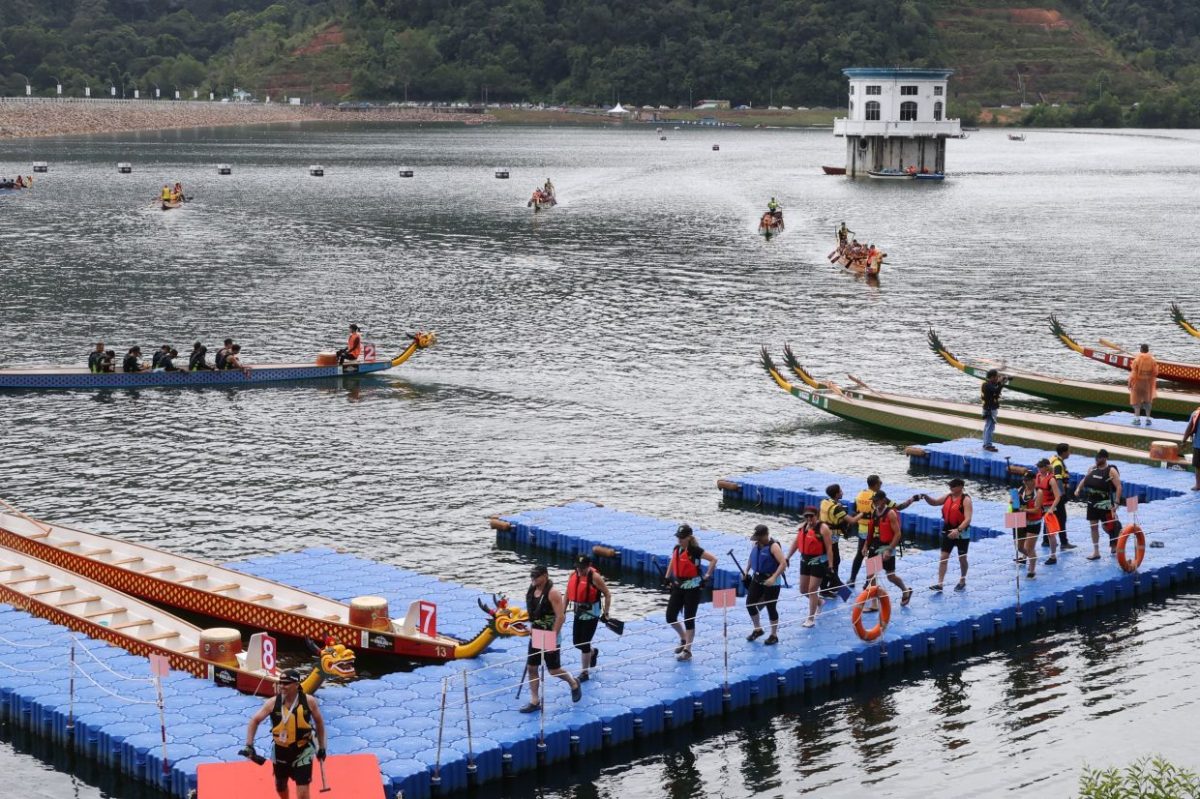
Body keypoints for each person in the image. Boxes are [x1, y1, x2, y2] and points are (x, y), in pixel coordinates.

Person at [241, 668, 328, 799]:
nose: (282, 686)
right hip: (280, 752)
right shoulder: (271, 703)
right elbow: (254, 721)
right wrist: (249, 745)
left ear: (296, 685)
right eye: (280, 682)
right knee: (280, 786)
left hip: (303, 751)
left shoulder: (309, 701)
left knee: (303, 794)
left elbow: (319, 723)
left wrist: (321, 747)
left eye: (286, 683)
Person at [521, 565, 582, 712]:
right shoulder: (532, 590)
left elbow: (561, 617)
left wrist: (553, 638)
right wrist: (529, 628)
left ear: (545, 576)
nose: (533, 579)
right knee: (532, 667)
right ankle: (535, 701)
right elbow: (535, 613)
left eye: (536, 576)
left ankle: (573, 683)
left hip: (550, 634)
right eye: (532, 576)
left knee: (553, 670)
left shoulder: (553, 593)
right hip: (536, 633)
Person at [849, 476, 915, 589]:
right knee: (872, 568)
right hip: (874, 536)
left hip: (866, 532)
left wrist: (889, 549)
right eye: (880, 482)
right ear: (875, 485)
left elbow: (854, 510)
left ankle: (852, 579)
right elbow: (899, 507)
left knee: (888, 574)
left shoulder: (860, 495)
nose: (881, 483)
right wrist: (912, 499)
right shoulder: (878, 504)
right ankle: (869, 588)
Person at [665, 524, 717, 661]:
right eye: (678, 537)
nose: (679, 540)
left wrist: (707, 576)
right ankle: (683, 639)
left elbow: (713, 559)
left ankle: (688, 650)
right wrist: (667, 576)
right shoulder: (677, 548)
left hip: (693, 587)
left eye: (682, 538)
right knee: (670, 616)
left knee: (689, 618)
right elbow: (673, 560)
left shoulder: (695, 550)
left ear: (689, 537)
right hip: (678, 585)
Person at [785, 506, 833, 628]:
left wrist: (831, 565)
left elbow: (829, 548)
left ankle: (810, 618)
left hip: (819, 561)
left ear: (816, 515)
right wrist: (787, 557)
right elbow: (796, 543)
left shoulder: (823, 528)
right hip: (805, 560)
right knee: (803, 590)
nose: (809, 518)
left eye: (811, 516)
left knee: (812, 590)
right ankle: (820, 602)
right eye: (806, 516)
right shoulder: (803, 527)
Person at [566, 555, 611, 682]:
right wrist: (562, 611)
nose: (580, 571)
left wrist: (606, 613)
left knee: (584, 642)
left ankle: (584, 673)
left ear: (589, 565)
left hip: (593, 614)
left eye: (583, 568)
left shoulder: (595, 577)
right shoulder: (572, 575)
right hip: (579, 613)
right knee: (576, 642)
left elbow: (607, 594)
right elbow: (568, 594)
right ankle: (592, 652)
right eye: (578, 568)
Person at [922, 478, 972, 591]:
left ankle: (962, 579)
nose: (950, 488)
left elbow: (968, 519)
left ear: (960, 487)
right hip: (948, 531)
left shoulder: (966, 500)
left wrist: (958, 530)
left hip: (962, 533)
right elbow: (934, 502)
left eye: (952, 486)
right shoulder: (948, 496)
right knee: (943, 557)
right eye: (950, 486)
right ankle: (940, 584)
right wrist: (926, 497)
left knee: (962, 558)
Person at [863, 492, 913, 606]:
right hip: (875, 546)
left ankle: (905, 591)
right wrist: (866, 545)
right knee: (871, 574)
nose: (874, 503)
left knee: (891, 576)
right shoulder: (874, 512)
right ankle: (874, 604)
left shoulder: (890, 514)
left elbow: (898, 534)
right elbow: (871, 531)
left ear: (883, 500)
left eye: (876, 500)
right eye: (873, 501)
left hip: (887, 546)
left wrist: (889, 549)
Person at [1075, 449, 1122, 560]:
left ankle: (1114, 544)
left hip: (1105, 503)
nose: (1096, 460)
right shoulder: (1092, 468)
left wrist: (1117, 502)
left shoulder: (1111, 470)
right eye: (1096, 458)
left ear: (1105, 458)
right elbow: (1085, 479)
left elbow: (1119, 486)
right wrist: (1078, 489)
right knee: (1093, 527)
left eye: (1099, 458)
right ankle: (1096, 551)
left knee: (1108, 527)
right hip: (1092, 503)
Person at [744, 524, 786, 645]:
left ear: (765, 535)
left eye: (759, 537)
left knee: (770, 606)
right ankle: (758, 629)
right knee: (750, 603)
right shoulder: (756, 544)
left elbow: (783, 564)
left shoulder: (774, 546)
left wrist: (773, 577)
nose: (757, 540)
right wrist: (746, 570)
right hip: (757, 578)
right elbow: (752, 558)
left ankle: (774, 635)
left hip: (772, 580)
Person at [819, 484, 861, 599]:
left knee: (834, 561)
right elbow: (852, 521)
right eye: (841, 491)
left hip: (823, 534)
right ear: (837, 494)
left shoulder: (824, 502)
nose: (842, 492)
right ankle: (824, 589)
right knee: (832, 561)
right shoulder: (837, 508)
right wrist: (862, 514)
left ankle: (832, 585)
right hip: (831, 538)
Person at [1045, 443, 1076, 550]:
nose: (1069, 453)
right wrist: (1062, 495)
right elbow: (1058, 479)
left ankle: (1046, 541)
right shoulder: (1058, 464)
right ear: (1064, 452)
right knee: (1062, 518)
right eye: (1068, 451)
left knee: (1049, 516)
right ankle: (1064, 542)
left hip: (1051, 496)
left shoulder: (1054, 459)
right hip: (1057, 496)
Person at [1013, 472, 1043, 579]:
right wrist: (1013, 500)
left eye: (1027, 480)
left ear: (1033, 480)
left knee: (1029, 548)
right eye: (1024, 480)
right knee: (1020, 547)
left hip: (1034, 523)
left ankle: (1032, 570)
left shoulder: (1038, 492)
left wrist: (1023, 509)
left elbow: (1036, 510)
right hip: (1021, 520)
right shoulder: (1020, 489)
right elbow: (1014, 504)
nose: (1025, 482)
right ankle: (1032, 557)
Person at [1034, 458, 1063, 565]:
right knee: (1031, 528)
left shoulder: (1051, 480)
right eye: (1038, 466)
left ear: (1046, 467)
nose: (1038, 468)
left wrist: (1051, 509)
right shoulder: (1037, 476)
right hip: (1038, 506)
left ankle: (1053, 556)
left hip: (1048, 508)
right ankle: (1024, 555)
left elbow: (1058, 497)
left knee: (1051, 533)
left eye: (1040, 467)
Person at [1128, 344, 1158, 425]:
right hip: (1147, 383)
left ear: (1141, 350)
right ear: (1148, 350)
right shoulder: (1152, 360)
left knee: (1136, 401)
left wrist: (1129, 383)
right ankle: (1148, 419)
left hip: (1138, 383)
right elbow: (1155, 373)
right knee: (1148, 401)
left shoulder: (1137, 360)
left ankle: (1137, 419)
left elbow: (1133, 373)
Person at [980, 369, 1009, 452]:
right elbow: (996, 390)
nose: (998, 378)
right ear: (992, 377)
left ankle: (986, 444)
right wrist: (1001, 383)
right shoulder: (987, 385)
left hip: (989, 408)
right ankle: (988, 445)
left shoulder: (987, 384)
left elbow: (995, 389)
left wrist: (1000, 382)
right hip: (989, 409)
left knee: (988, 426)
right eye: (997, 376)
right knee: (990, 427)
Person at [1180, 406, 1200, 491]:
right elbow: (1189, 427)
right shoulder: (1196, 414)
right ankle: (1198, 484)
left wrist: (1184, 441)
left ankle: (1198, 484)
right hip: (1198, 445)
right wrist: (1184, 440)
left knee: (1198, 466)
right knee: (1197, 466)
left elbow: (1189, 428)